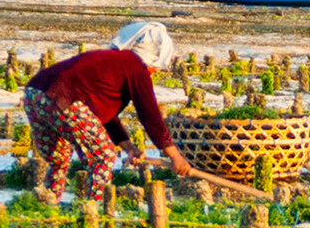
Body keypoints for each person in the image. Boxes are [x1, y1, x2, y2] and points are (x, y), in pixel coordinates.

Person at [23, 22, 193, 204]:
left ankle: (47, 203)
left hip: (34, 94)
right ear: (152, 58)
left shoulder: (112, 62)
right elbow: (149, 115)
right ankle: (93, 210)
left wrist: (129, 148)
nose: (153, 73)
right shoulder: (136, 67)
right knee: (103, 154)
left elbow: (102, 116)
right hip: (63, 99)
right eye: (155, 69)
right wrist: (175, 156)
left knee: (60, 157)